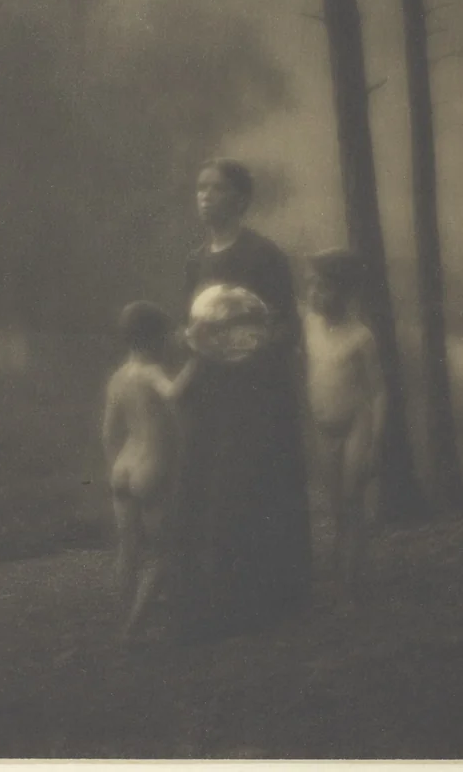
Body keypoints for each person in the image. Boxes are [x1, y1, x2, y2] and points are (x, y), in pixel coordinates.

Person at [169, 158, 313, 642]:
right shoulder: (195, 261)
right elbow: (193, 326)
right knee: (202, 489)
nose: (205, 196)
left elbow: (289, 326)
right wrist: (192, 341)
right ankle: (205, 603)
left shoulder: (263, 255)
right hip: (209, 394)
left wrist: (252, 346)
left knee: (247, 490)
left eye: (217, 188)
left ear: (242, 199)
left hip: (255, 393)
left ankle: (259, 602)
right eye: (200, 187)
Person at [304, 249, 387, 602]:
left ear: (345, 292)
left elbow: (379, 391)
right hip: (325, 427)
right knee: (335, 504)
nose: (315, 294)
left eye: (324, 288)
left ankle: (351, 583)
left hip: (356, 425)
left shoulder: (360, 336)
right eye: (312, 286)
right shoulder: (308, 323)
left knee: (352, 501)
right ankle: (343, 570)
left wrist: (375, 441)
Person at [102, 301, 182, 640]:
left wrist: (112, 466)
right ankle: (134, 627)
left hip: (123, 466)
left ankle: (121, 617)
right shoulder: (152, 372)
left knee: (128, 549)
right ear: (153, 340)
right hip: (152, 466)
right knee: (163, 552)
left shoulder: (118, 377)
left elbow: (108, 431)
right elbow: (174, 392)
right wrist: (199, 365)